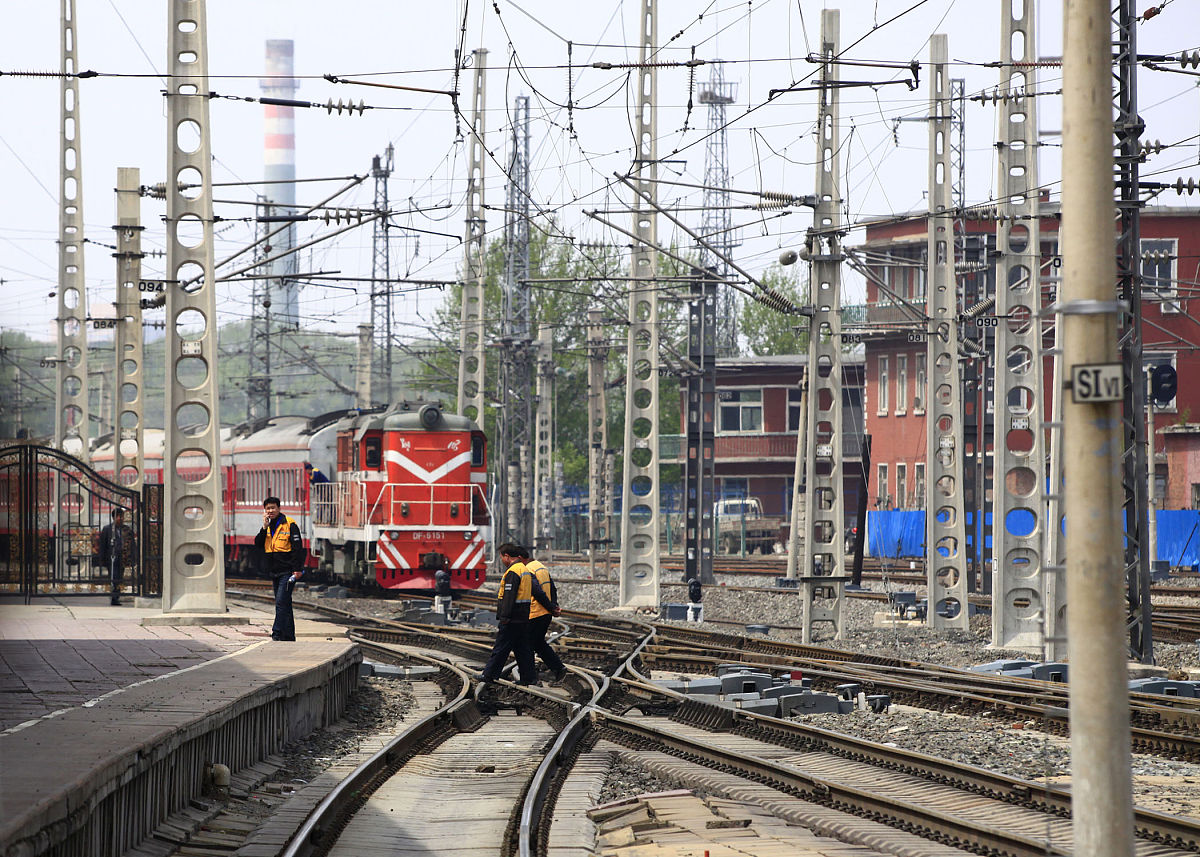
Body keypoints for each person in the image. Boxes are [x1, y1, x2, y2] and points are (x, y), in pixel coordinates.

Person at [475, 543, 553, 686]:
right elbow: (535, 592)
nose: (502, 561)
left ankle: (489, 675)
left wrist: (504, 617)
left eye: (502, 558)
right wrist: (552, 607)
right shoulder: (525, 570)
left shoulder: (513, 572)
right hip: (524, 617)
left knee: (500, 647)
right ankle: (529, 678)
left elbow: (509, 597)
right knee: (522, 649)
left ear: (506, 556)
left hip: (512, 618)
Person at [254, 495, 304, 641]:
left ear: (279, 508)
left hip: (287, 572)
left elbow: (297, 548)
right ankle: (289, 636)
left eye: (273, 508)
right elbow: (258, 544)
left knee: (281, 602)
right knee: (286, 604)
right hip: (274, 571)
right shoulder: (267, 526)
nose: (270, 511)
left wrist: (297, 569)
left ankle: (276, 633)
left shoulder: (289, 524)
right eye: (267, 508)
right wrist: (264, 527)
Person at [524, 551, 567, 682]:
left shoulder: (528, 570)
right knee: (538, 643)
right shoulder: (541, 567)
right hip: (545, 613)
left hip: (535, 612)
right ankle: (558, 668)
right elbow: (553, 589)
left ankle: (529, 677)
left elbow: (537, 593)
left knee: (527, 644)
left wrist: (551, 607)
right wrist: (553, 606)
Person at [98, 508, 137, 606]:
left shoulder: (126, 529)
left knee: (119, 577)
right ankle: (114, 597)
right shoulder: (107, 529)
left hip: (122, 558)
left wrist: (133, 557)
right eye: (118, 516)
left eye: (121, 516)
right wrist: (102, 559)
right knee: (113, 577)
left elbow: (132, 544)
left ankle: (116, 596)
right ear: (114, 518)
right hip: (111, 558)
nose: (120, 518)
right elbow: (102, 545)